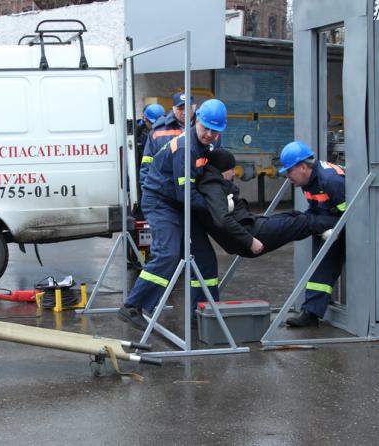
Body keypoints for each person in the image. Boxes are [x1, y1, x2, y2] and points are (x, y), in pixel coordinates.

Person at [118, 99, 227, 330]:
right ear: (196, 120)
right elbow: (186, 195)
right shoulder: (185, 147)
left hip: (180, 203)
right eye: (206, 128)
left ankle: (205, 311)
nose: (209, 134)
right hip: (161, 202)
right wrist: (218, 207)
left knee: (204, 257)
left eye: (215, 131)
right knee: (168, 254)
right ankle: (132, 306)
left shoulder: (209, 144)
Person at [196, 147, 339, 259]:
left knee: (294, 216)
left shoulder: (213, 182)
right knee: (301, 222)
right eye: (231, 170)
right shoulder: (212, 185)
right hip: (250, 234)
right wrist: (250, 241)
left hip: (250, 226)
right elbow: (222, 220)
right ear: (222, 170)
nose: (234, 173)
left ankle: (328, 224)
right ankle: (339, 222)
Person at [278, 141, 346, 327]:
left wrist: (335, 230)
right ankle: (311, 312)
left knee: (324, 261)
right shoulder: (308, 180)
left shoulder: (331, 181)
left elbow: (352, 214)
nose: (287, 177)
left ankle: (311, 312)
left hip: (342, 224)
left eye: (289, 171)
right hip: (326, 221)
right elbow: (316, 208)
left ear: (302, 167)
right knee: (320, 264)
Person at [139, 92, 197, 188]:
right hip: (166, 190)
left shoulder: (205, 129)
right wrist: (146, 189)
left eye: (188, 108)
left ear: (194, 108)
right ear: (173, 109)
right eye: (180, 108)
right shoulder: (158, 131)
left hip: (195, 188)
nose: (184, 112)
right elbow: (147, 162)